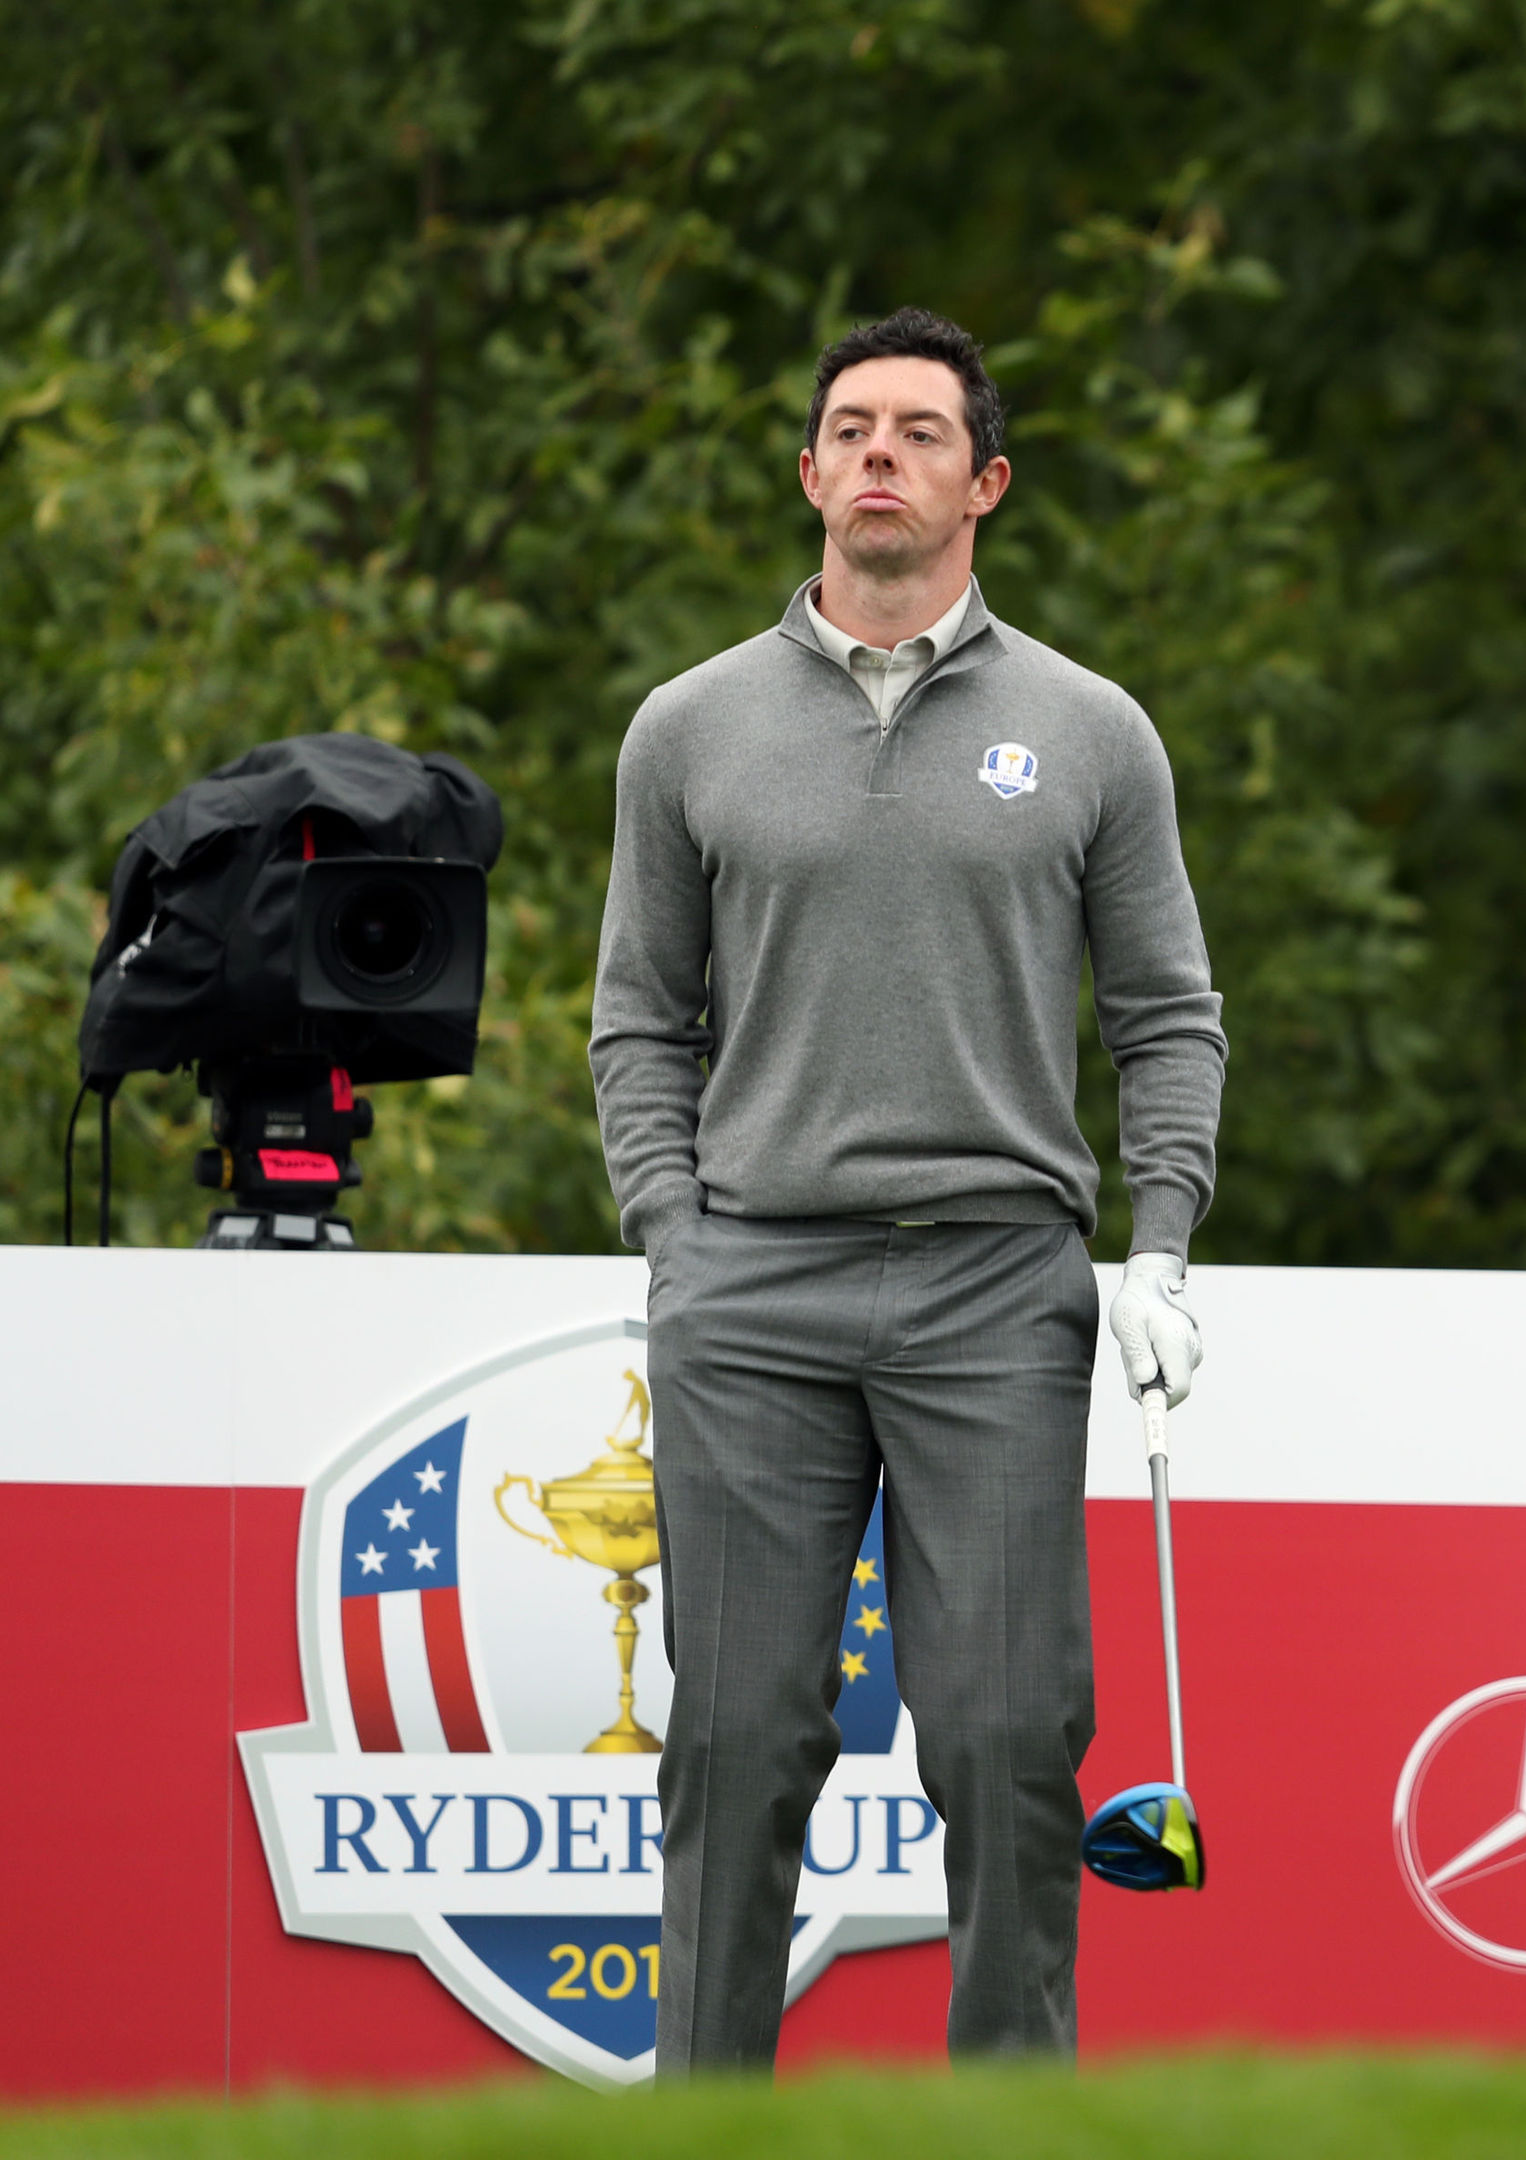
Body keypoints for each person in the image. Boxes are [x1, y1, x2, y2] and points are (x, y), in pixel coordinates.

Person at [588, 307, 1227, 2072]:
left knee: (1009, 1735)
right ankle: (712, 2115)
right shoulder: (688, 726)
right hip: (752, 1291)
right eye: (850, 428)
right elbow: (638, 1019)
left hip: (995, 1285)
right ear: (809, 474)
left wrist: (1158, 1244)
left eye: (920, 432)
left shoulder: (1090, 730)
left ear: (985, 482)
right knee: (731, 1735)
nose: (880, 453)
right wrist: (673, 1238)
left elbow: (1170, 1019)